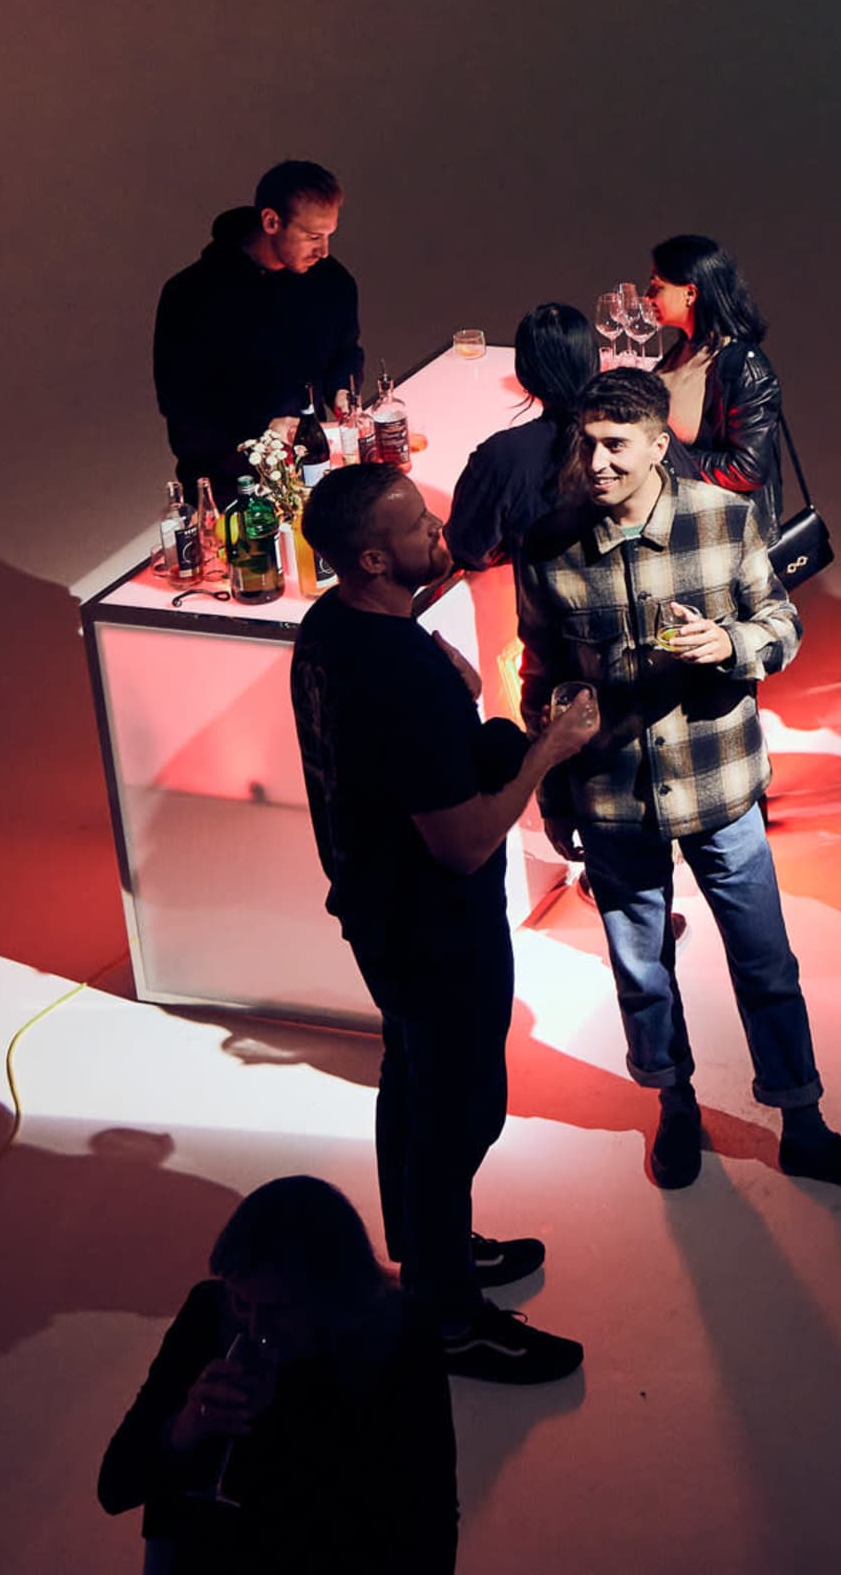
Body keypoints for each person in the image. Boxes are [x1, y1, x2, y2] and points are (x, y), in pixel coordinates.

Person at [512, 371, 841, 1195]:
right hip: (615, 800)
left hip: (720, 785)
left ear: (660, 445)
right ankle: (676, 1104)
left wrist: (727, 645)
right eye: (585, 441)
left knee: (766, 963)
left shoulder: (724, 521)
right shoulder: (547, 547)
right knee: (642, 971)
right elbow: (542, 677)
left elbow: (782, 625)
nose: (596, 460)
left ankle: (803, 1122)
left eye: (616, 443)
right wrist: (550, 788)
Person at [288, 464, 593, 1384]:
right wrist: (547, 747)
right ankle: (449, 1318)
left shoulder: (330, 630)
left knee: (412, 1080)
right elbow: (461, 843)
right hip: (435, 926)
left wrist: (442, 669)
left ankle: (431, 1252)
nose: (441, 528)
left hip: (377, 912)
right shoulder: (400, 682)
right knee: (461, 1110)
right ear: (375, 556)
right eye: (419, 522)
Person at [97, 1175, 455, 1571]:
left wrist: (290, 1415)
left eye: (276, 1310)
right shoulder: (209, 1315)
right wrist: (182, 1430)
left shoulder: (400, 1336)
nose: (253, 1327)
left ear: (332, 1297)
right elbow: (114, 1488)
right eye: (240, 1301)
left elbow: (430, 1516)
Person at [153, 161, 367, 487]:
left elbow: (345, 351)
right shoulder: (191, 296)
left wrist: (342, 390)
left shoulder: (330, 281)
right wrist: (261, 429)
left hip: (308, 465)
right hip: (230, 480)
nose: (323, 251)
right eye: (312, 237)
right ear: (271, 221)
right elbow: (183, 406)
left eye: (328, 236)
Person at [442, 302, 598, 574]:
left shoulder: (504, 454)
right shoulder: (640, 431)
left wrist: (509, 553)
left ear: (524, 374)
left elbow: (466, 548)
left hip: (548, 608)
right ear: (594, 360)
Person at [645, 233, 787, 531]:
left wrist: (666, 462)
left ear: (690, 293)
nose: (648, 296)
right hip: (683, 524)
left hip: (726, 538)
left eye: (657, 286)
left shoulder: (743, 366)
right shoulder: (681, 351)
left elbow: (747, 469)